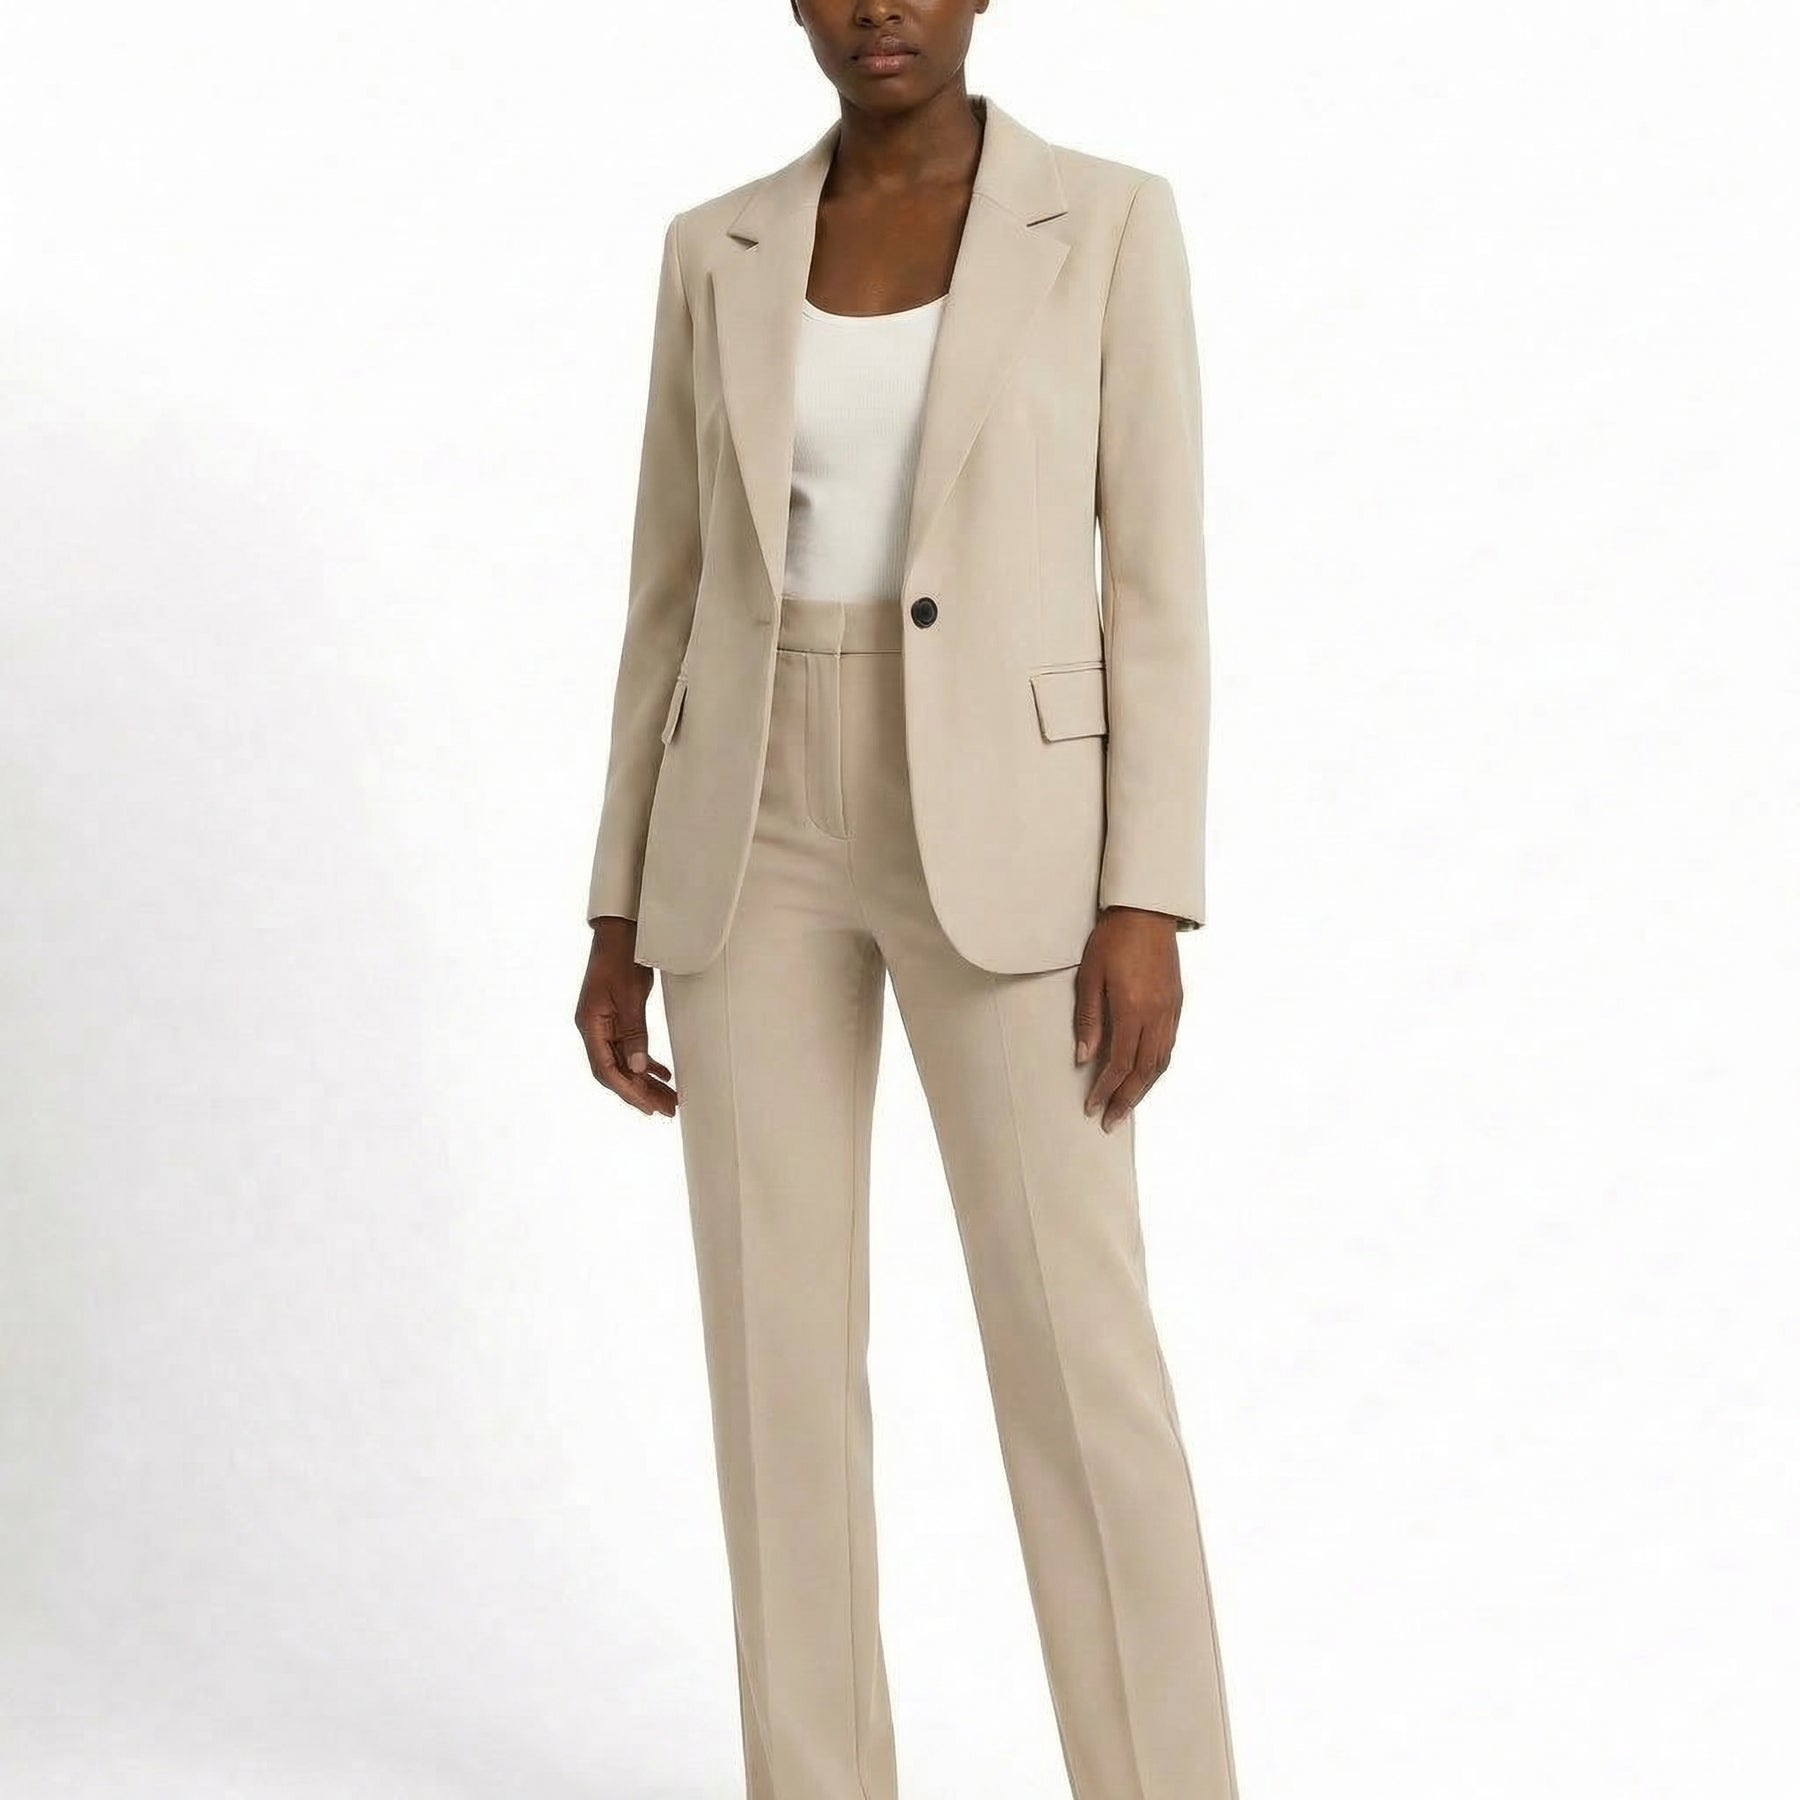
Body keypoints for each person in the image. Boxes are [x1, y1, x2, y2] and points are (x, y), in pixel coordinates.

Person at [574, 5, 1237, 1796]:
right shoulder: (713, 248)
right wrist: (617, 901)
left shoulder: (1108, 220)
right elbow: (667, 591)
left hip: (1015, 820)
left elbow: (1157, 585)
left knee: (1077, 1355)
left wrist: (1147, 893)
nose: (883, 7)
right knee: (774, 1362)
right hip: (749, 810)